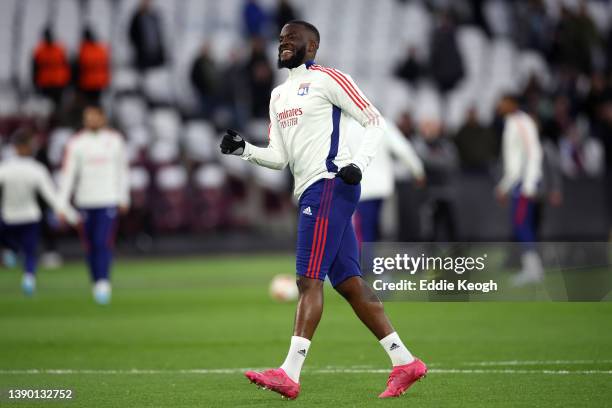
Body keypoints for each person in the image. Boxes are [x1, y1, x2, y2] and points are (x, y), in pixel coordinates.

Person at [220, 20, 427, 400]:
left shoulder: (330, 78)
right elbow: (280, 158)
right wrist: (245, 150)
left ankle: (289, 372)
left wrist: (359, 164)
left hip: (330, 184)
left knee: (308, 281)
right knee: (349, 283)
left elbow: (374, 120)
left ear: (312, 46)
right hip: (311, 190)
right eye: (281, 39)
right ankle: (405, 362)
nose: (284, 43)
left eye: (292, 38)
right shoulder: (277, 96)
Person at [59, 106, 130, 304]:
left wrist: (123, 197)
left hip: (107, 199)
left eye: (93, 116)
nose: (90, 120)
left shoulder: (115, 141)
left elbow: (122, 171)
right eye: (86, 117)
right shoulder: (76, 143)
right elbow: (68, 175)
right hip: (85, 200)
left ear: (102, 118)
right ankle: (95, 281)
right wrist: (61, 204)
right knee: (90, 245)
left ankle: (103, 282)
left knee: (102, 242)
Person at [0, 129, 78, 295]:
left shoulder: (9, 168)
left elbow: (51, 197)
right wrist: (72, 217)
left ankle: (27, 276)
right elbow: (53, 197)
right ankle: (26, 274)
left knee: (27, 250)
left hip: (17, 217)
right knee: (28, 251)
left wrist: (70, 215)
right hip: (25, 217)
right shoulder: (31, 169)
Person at [347, 118, 425, 244]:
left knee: (364, 231)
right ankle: (370, 260)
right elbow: (403, 149)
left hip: (362, 189)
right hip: (382, 188)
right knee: (376, 230)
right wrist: (418, 171)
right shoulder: (382, 124)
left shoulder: (347, 125)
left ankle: (366, 262)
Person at [495, 94, 544, 286]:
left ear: (513, 103)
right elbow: (513, 162)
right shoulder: (512, 122)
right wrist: (505, 185)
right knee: (521, 225)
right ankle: (532, 268)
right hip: (518, 182)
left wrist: (530, 183)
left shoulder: (523, 122)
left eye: (503, 102)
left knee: (522, 224)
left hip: (525, 182)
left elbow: (533, 152)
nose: (500, 106)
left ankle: (533, 270)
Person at [32, 27, 71, 107]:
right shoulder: (40, 50)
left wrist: (68, 82)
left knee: (57, 105)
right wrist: (35, 83)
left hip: (58, 83)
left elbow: (67, 66)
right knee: (48, 106)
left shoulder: (59, 49)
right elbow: (34, 69)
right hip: (46, 84)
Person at [76, 27, 111, 104]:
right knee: (97, 103)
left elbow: (79, 67)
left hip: (88, 83)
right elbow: (107, 66)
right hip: (100, 82)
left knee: (89, 105)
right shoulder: (102, 49)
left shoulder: (83, 50)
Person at [128, 0, 166, 71]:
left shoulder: (154, 17)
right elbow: (132, 35)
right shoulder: (137, 18)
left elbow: (159, 35)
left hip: (155, 55)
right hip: (142, 56)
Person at [189, 42, 218, 119]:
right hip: (202, 91)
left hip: (211, 92)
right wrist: (199, 87)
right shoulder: (198, 62)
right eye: (204, 49)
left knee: (211, 111)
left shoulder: (211, 61)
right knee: (203, 111)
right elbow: (193, 76)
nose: (206, 51)